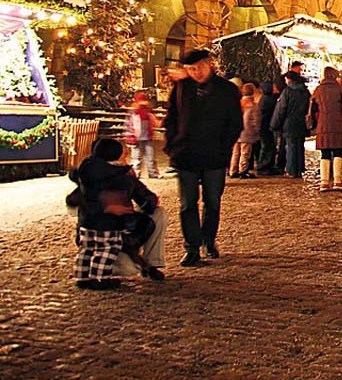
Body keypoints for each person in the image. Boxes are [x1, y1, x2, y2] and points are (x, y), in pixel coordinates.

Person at [163, 49, 241, 267]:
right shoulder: (182, 88)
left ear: (210, 64)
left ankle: (209, 240)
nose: (196, 72)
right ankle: (191, 247)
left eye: (199, 67)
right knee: (187, 203)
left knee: (212, 202)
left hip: (214, 156)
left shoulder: (226, 90)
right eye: (191, 69)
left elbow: (235, 123)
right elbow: (172, 117)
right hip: (185, 154)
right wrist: (172, 145)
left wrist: (224, 149)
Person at [70, 138, 167, 288]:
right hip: (111, 227)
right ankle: (101, 279)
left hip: (87, 228)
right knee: (109, 253)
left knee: (87, 250)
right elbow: (148, 202)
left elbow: (75, 200)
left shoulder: (86, 174)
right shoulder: (121, 177)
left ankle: (83, 277)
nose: (127, 152)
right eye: (123, 151)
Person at [309, 66, 342, 192]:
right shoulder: (338, 88)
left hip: (323, 124)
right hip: (338, 123)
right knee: (338, 151)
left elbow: (313, 107)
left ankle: (324, 182)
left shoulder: (319, 89)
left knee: (325, 153)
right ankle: (338, 181)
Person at [272, 71, 311, 179]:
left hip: (289, 122)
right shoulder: (305, 91)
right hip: (301, 122)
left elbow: (281, 109)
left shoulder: (287, 91)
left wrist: (275, 124)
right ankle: (299, 169)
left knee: (291, 146)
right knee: (299, 146)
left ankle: (291, 170)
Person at [123, 91, 161, 179]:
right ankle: (136, 173)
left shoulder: (148, 112)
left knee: (150, 156)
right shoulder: (133, 112)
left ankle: (153, 172)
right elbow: (128, 125)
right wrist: (129, 136)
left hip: (147, 137)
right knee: (136, 157)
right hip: (137, 138)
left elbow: (153, 122)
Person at [256, 81, 281, 176]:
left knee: (269, 146)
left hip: (265, 126)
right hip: (265, 126)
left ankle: (268, 165)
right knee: (267, 146)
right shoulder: (269, 100)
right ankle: (263, 166)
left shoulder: (265, 99)